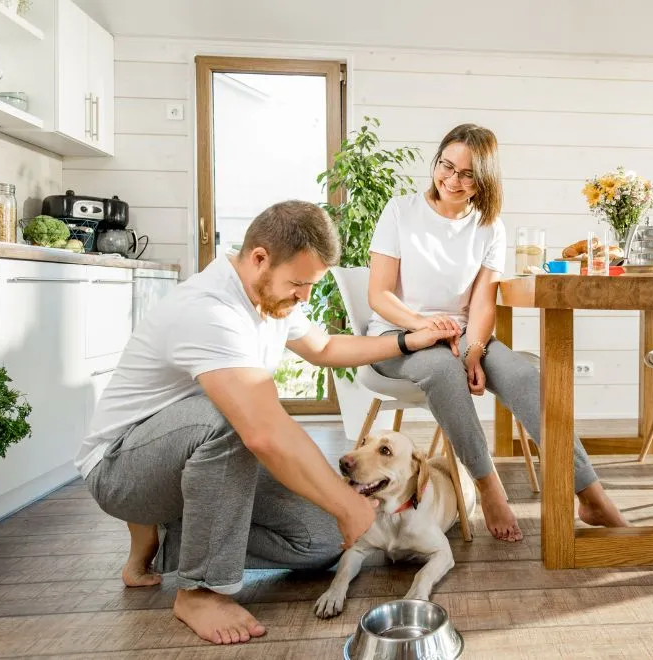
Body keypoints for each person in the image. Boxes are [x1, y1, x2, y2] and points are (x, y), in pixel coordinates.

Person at [73, 200, 457, 646]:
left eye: (309, 285)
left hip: (193, 465)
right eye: (298, 283)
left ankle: (172, 541)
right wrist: (346, 502)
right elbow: (260, 430)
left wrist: (409, 339)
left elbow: (326, 348)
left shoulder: (272, 299)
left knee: (322, 541)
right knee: (238, 417)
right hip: (122, 470)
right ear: (259, 258)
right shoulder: (210, 310)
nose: (304, 297)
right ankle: (200, 590)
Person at [366, 123, 630, 543]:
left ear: (484, 179)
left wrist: (474, 351)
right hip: (399, 335)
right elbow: (379, 294)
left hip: (462, 335)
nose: (452, 180)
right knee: (440, 369)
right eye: (446, 166)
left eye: (467, 174)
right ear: (436, 162)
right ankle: (489, 487)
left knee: (526, 377)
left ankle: (591, 493)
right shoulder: (400, 211)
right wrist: (424, 325)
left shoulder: (489, 225)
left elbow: (483, 301)